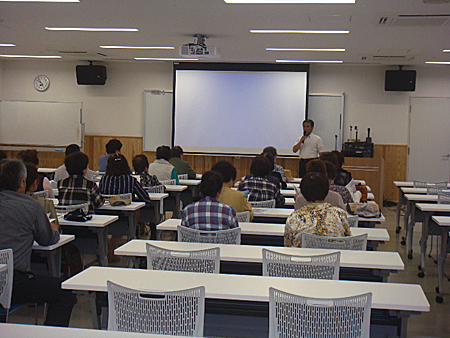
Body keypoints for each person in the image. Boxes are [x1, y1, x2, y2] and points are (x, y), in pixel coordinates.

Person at [0, 159, 77, 327]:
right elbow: (47, 239)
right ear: (22, 182)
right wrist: (53, 228)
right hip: (14, 282)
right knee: (64, 291)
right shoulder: (31, 206)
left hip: (9, 282)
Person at [99, 153, 151, 260]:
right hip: (124, 219)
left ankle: (110, 249)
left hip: (104, 217)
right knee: (135, 212)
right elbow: (145, 197)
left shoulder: (104, 180)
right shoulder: (130, 180)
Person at [285, 172, 350, 248]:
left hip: (303, 258)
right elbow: (347, 240)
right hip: (334, 257)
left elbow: (288, 245)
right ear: (326, 192)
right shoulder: (340, 214)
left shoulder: (294, 217)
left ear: (303, 193)